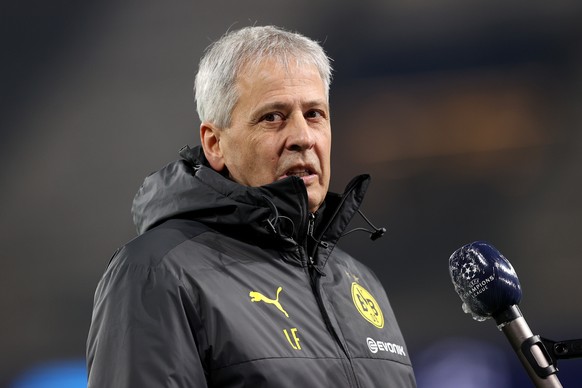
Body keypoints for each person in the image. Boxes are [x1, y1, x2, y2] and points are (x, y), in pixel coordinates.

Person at [86, 25, 416, 387]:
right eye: (273, 116)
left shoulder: (360, 283)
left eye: (314, 114)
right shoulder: (157, 273)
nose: (303, 137)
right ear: (215, 144)